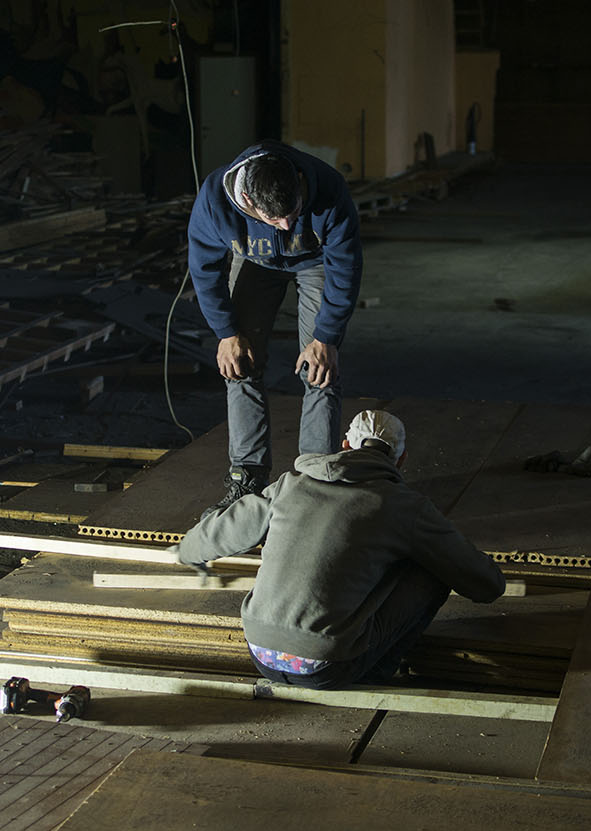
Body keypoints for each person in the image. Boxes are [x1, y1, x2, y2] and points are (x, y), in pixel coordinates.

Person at [174, 410, 506, 690]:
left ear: (344, 446)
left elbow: (220, 532)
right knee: (431, 568)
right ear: (401, 459)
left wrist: (186, 549)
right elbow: (485, 585)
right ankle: (376, 672)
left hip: (260, 654)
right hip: (329, 669)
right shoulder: (405, 506)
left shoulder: (291, 485)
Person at [187, 140, 363, 515]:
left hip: (315, 262)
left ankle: (316, 479)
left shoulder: (328, 188)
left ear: (299, 182)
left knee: (320, 368)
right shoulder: (214, 201)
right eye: (275, 219)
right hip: (255, 262)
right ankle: (247, 476)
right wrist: (226, 334)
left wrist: (325, 338)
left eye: (294, 212)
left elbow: (345, 269)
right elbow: (204, 271)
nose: (286, 225)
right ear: (247, 199)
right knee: (239, 362)